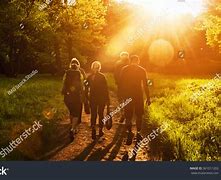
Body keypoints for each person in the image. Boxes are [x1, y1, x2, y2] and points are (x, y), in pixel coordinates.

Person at [120, 55, 151, 145]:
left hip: (129, 95)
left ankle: (130, 132)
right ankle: (137, 133)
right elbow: (145, 85)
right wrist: (148, 97)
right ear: (138, 61)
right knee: (139, 115)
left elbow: (121, 84)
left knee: (129, 115)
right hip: (138, 95)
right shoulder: (142, 70)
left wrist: (122, 96)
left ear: (131, 61)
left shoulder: (125, 69)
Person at [86, 61, 110, 140]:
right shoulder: (102, 76)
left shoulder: (89, 77)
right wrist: (107, 99)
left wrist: (86, 96)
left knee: (94, 114)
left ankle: (95, 129)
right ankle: (99, 129)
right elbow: (106, 89)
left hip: (94, 98)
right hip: (100, 98)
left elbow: (85, 87)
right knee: (100, 114)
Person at [62, 58, 84, 141]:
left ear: (70, 65)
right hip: (76, 96)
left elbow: (63, 83)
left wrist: (65, 92)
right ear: (78, 65)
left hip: (67, 97)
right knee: (76, 113)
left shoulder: (67, 73)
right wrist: (83, 93)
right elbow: (81, 85)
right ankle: (72, 129)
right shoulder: (79, 73)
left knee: (71, 111)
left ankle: (72, 127)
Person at [114, 52, 130, 123]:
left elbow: (115, 74)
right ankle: (126, 115)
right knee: (127, 100)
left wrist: (117, 81)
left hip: (121, 85)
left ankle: (123, 113)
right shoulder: (130, 63)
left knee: (120, 99)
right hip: (128, 85)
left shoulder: (118, 63)